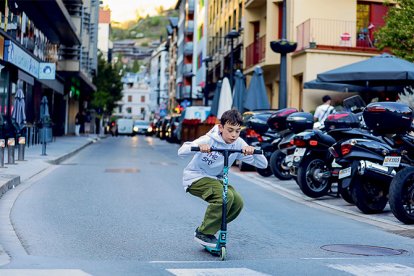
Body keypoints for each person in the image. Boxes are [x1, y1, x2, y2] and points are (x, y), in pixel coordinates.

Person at [178, 109, 268, 247]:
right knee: (225, 197)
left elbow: (263, 164)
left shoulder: (239, 143)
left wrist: (253, 151)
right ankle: (204, 233)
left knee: (237, 202)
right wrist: (199, 146)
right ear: (221, 127)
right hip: (195, 177)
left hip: (215, 180)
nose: (233, 135)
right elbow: (182, 151)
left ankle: (209, 231)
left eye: (237, 131)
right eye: (230, 130)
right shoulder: (209, 139)